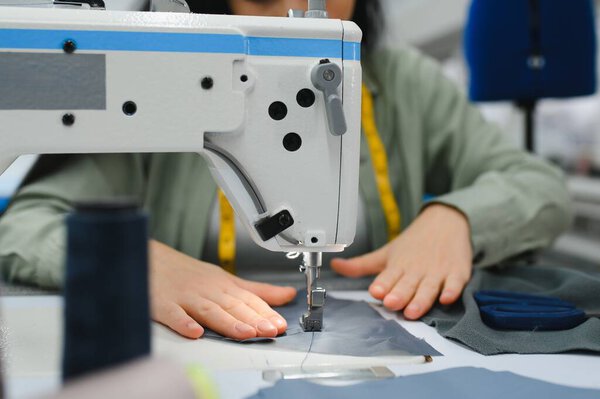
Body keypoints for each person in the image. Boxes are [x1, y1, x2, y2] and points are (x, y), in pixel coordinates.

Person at [0, 0, 570, 341]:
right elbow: (25, 224)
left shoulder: (406, 85)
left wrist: (459, 219)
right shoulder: (157, 86)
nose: (296, 12)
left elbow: (538, 185)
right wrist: (134, 266)